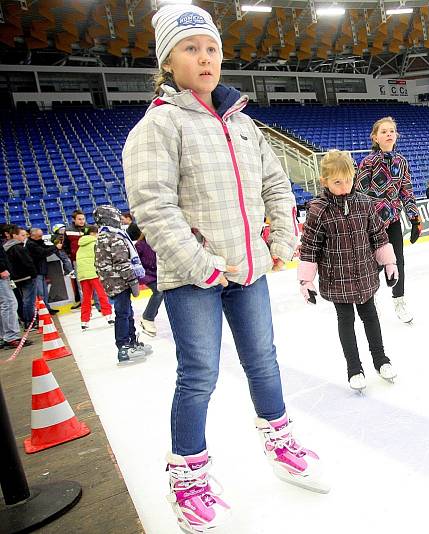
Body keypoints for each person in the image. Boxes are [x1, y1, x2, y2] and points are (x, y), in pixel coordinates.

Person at [124, 5, 329, 531]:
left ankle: (280, 442)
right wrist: (201, 264)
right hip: (194, 278)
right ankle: (187, 476)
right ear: (168, 61)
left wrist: (283, 236)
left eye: (211, 47)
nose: (205, 57)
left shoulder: (241, 122)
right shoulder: (159, 126)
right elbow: (153, 206)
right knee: (199, 376)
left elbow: (276, 184)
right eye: (191, 48)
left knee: (264, 360)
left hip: (250, 270)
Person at [298, 150, 399, 391]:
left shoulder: (365, 203)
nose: (345, 187)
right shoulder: (318, 210)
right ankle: (354, 368)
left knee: (371, 317)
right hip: (337, 278)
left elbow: (378, 236)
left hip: (365, 274)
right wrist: (306, 281)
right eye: (337, 182)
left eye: (349, 180)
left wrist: (389, 263)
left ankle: (381, 360)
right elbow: (310, 247)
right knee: (346, 320)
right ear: (324, 182)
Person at [356, 116, 422, 323]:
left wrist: (414, 218)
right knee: (373, 263)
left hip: (393, 219)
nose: (388, 134)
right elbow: (360, 193)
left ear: (396, 135)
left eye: (391, 131)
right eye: (383, 131)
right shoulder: (367, 162)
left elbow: (407, 191)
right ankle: (368, 299)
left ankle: (399, 300)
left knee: (397, 261)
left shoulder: (401, 162)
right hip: (372, 222)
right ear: (375, 137)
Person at [94, 206, 149, 361]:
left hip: (114, 282)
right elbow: (122, 263)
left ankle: (132, 342)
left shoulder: (105, 235)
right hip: (119, 281)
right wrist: (132, 281)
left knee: (127, 312)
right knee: (123, 314)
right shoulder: (113, 237)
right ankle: (123, 346)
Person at [75, 225, 114, 331]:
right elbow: (101, 258)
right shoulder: (95, 243)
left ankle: (84, 321)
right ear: (93, 233)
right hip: (94, 273)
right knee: (102, 295)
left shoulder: (80, 246)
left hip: (83, 276)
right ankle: (108, 315)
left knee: (86, 298)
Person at [127, 223, 163, 337]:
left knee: (165, 291)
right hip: (145, 274)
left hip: (157, 273)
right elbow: (135, 262)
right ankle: (147, 318)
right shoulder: (140, 245)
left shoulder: (156, 243)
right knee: (159, 291)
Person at [0, 225, 32, 349]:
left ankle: (4, 336)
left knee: (6, 304)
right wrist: (2, 268)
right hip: (2, 275)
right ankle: (11, 337)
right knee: (9, 303)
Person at [3, 226, 37, 327]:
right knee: (28, 300)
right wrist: (33, 273)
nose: (24, 237)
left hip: (14, 278)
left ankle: (25, 320)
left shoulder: (5, 248)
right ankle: (30, 322)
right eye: (22, 235)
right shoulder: (19, 247)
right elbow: (28, 262)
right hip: (26, 277)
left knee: (19, 300)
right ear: (14, 235)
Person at [25, 227, 59, 314]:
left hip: (41, 271)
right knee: (40, 293)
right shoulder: (31, 244)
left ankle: (47, 308)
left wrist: (54, 246)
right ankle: (42, 311)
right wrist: (55, 247)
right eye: (39, 236)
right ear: (33, 236)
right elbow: (43, 252)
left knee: (44, 292)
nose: (41, 238)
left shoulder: (37, 242)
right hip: (36, 272)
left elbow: (45, 248)